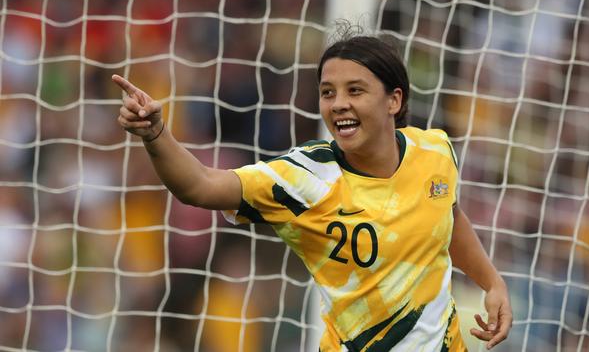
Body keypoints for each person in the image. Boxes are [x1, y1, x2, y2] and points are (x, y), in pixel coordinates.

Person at [112, 31, 512, 351]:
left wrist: (492, 282)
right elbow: (199, 186)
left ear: (394, 100)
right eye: (327, 92)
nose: (338, 104)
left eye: (355, 91)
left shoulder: (435, 150)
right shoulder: (305, 177)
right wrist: (156, 135)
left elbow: (447, 216)